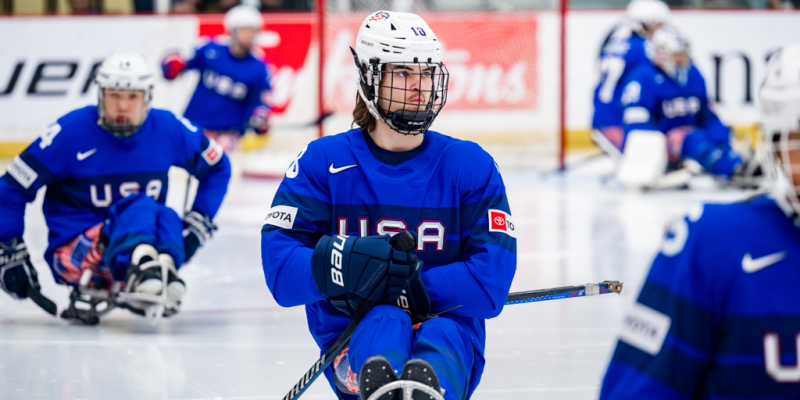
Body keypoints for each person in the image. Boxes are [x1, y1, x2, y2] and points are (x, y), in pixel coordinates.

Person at [260, 10, 516, 400]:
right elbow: (280, 272)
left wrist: (400, 282)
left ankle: (422, 389)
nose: (419, 86)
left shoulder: (471, 166)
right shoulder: (323, 163)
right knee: (383, 318)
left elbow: (489, 283)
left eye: (426, 73)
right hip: (353, 335)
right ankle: (388, 388)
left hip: (450, 332)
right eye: (402, 73)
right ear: (368, 77)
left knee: (443, 331)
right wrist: (345, 267)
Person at [599, 45, 800, 399]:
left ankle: (732, 165)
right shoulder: (713, 242)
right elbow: (637, 128)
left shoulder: (694, 77)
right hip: (662, 150)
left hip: (694, 146)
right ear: (776, 141)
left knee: (701, 140)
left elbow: (711, 119)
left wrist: (723, 149)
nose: (679, 59)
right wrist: (662, 146)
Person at [0, 53, 231, 323]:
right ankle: (145, 265)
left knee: (166, 215)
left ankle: (162, 267)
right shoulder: (70, 133)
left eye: (132, 97)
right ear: (100, 95)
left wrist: (199, 221)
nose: (123, 106)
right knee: (141, 204)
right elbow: (11, 188)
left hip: (131, 248)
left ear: (147, 97)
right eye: (114, 95)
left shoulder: (168, 128)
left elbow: (218, 166)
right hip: (74, 254)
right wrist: (9, 250)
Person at [614, 27, 758, 189]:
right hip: (659, 146)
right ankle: (734, 169)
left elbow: (707, 117)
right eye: (677, 54)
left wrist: (724, 142)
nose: (683, 60)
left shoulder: (694, 75)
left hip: (690, 139)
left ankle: (735, 162)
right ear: (662, 54)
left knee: (712, 135)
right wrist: (651, 159)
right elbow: (637, 128)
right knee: (691, 139)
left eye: (684, 54)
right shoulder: (641, 79)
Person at [161, 4, 271, 153]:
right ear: (232, 30)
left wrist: (260, 117)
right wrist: (174, 64)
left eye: (253, 31)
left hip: (228, 134)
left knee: (220, 169)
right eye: (244, 29)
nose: (249, 35)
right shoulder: (211, 49)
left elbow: (260, 102)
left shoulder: (259, 67)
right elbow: (179, 62)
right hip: (195, 125)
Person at [591, 0, 671, 158]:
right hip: (622, 124)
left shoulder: (615, 43)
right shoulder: (645, 48)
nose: (661, 30)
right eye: (658, 25)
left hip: (601, 119)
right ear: (646, 23)